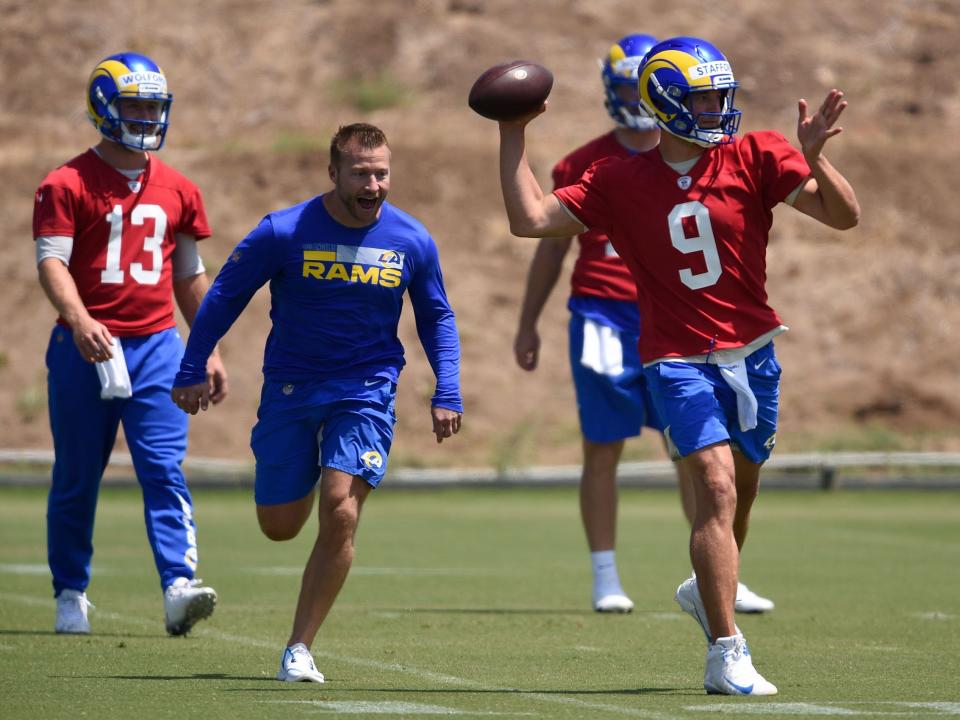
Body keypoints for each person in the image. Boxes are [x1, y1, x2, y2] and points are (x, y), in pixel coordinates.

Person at [492, 36, 858, 695]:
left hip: (753, 353)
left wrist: (816, 159)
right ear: (666, 103)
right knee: (714, 486)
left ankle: (709, 585)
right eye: (703, 97)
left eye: (722, 94)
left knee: (742, 487)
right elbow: (530, 221)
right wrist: (511, 131)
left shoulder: (756, 153)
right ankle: (727, 651)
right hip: (675, 357)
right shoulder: (614, 178)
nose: (719, 107)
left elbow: (844, 217)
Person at [171, 123, 464, 683]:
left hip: (367, 389)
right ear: (333, 173)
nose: (373, 185)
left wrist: (446, 388)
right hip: (292, 387)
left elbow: (437, 317)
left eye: (381, 173)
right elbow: (225, 297)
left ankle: (299, 648)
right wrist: (193, 365)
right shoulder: (283, 231)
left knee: (341, 509)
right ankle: (304, 473)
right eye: (360, 173)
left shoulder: (412, 239)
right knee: (279, 526)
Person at [514, 34, 774, 616]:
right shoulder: (588, 164)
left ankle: (715, 574)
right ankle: (605, 572)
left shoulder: (712, 159)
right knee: (604, 443)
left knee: (695, 451)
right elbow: (547, 246)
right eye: (626, 86)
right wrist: (528, 321)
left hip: (679, 318)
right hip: (603, 313)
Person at [33, 52, 226, 636]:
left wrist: (207, 347)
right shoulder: (64, 183)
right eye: (136, 105)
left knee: (164, 468)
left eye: (153, 106)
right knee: (77, 474)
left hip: (158, 347)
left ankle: (178, 586)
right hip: (83, 349)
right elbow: (52, 262)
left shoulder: (179, 188)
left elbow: (189, 276)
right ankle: (70, 591)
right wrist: (78, 317)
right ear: (104, 106)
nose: (146, 116)